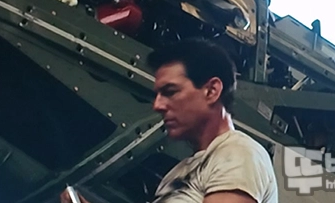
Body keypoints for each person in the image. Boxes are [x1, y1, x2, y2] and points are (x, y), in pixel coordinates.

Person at [61, 38, 278, 203]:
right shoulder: (181, 172)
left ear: (211, 91)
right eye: (157, 94)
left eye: (170, 92)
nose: (158, 105)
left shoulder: (239, 154)